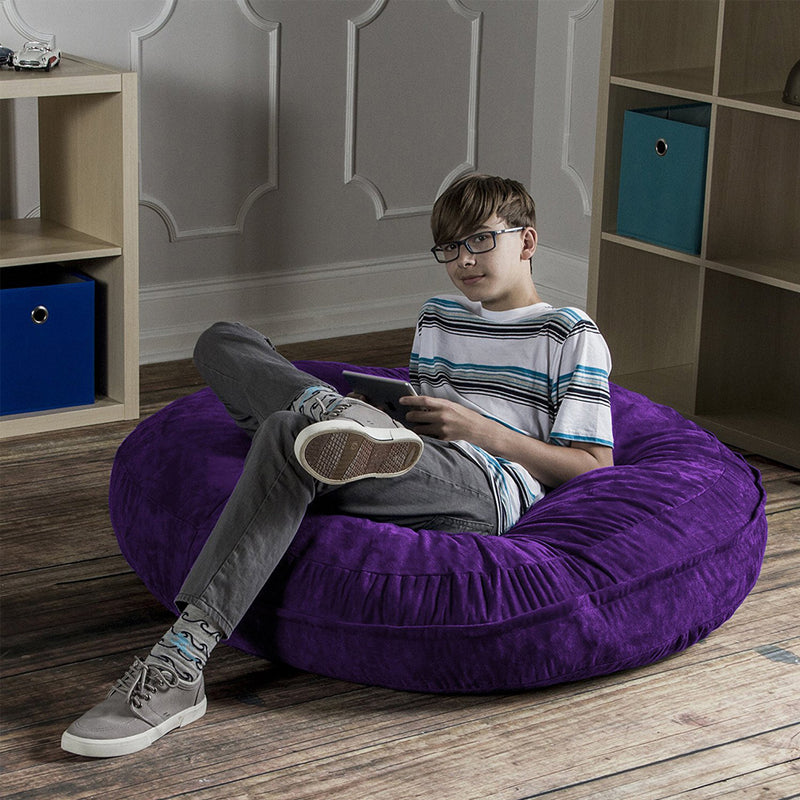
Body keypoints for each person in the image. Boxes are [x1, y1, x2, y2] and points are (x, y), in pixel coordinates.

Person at [61, 174, 614, 758]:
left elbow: (594, 467)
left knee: (286, 432)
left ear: (527, 241)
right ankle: (332, 411)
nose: (463, 260)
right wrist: (386, 412)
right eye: (449, 247)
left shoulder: (568, 333)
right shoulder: (438, 319)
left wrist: (483, 431)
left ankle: (180, 662)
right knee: (222, 341)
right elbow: (415, 423)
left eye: (479, 240)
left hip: (481, 485)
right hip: (408, 458)